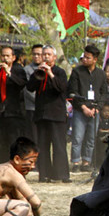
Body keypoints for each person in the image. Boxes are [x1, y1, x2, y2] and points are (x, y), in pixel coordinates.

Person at [26, 45, 70, 183]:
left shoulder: (60, 72)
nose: (45, 57)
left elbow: (62, 88)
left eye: (48, 55)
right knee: (43, 146)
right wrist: (37, 74)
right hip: (41, 115)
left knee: (59, 146)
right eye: (43, 54)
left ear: (54, 57)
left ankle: (61, 175)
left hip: (56, 115)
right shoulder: (38, 72)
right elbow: (29, 87)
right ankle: (44, 174)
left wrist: (50, 73)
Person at [0, 46, 27, 165]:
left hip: (13, 113)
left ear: (13, 58)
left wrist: (9, 73)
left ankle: (13, 169)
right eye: (3, 55)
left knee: (13, 144)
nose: (5, 58)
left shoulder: (18, 70)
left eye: (7, 56)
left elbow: (22, 84)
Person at [67, 45, 107, 173]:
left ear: (95, 59)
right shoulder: (77, 71)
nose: (84, 59)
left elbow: (104, 93)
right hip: (80, 110)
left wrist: (97, 108)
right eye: (83, 57)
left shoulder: (101, 73)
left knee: (91, 138)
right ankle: (75, 162)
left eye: (87, 57)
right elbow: (73, 91)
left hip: (95, 110)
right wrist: (83, 107)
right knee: (77, 137)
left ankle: (86, 162)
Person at [23, 44, 43, 142]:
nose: (36, 56)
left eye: (39, 54)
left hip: (45, 110)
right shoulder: (27, 69)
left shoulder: (48, 68)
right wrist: (40, 101)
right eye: (34, 54)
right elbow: (27, 90)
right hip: (32, 108)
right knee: (33, 137)